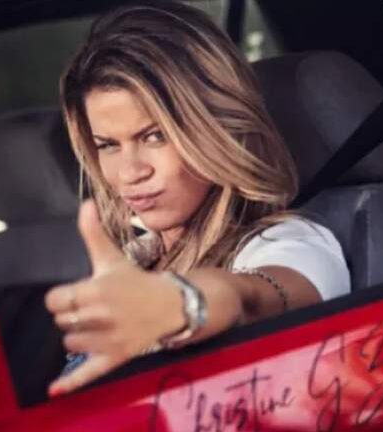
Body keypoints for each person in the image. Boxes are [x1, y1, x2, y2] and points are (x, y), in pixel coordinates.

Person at [44, 0, 350, 397]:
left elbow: (252, 297)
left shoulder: (289, 243)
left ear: (215, 129)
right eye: (108, 145)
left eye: (155, 136)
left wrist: (183, 305)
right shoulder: (138, 256)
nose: (130, 172)